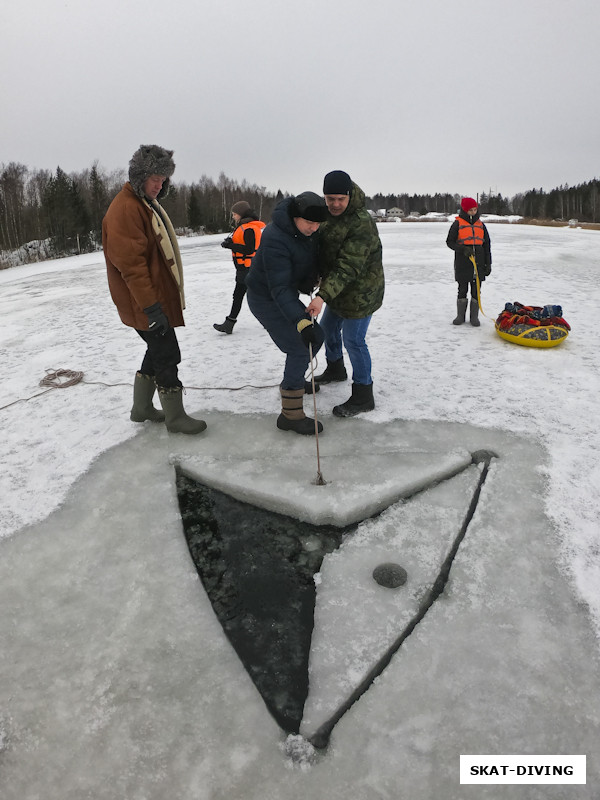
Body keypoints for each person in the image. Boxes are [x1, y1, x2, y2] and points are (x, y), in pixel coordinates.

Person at [102, 144, 206, 435]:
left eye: (163, 180)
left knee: (157, 348)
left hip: (150, 298)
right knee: (167, 353)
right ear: (139, 177)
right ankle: (175, 417)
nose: (159, 185)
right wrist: (151, 307)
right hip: (143, 301)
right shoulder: (125, 209)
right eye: (154, 179)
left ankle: (142, 409)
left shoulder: (142, 202)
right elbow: (131, 266)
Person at [246, 191, 328, 435]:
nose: (314, 228)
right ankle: (290, 415)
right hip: (266, 298)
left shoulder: (304, 231)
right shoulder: (274, 237)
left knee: (316, 338)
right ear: (295, 217)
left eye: (318, 223)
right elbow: (279, 287)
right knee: (300, 345)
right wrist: (302, 322)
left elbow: (301, 261)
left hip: (285, 293)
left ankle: (294, 380)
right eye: (309, 223)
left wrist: (310, 279)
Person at [306, 170, 385, 417]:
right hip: (338, 291)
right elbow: (322, 251)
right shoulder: (326, 216)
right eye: (330, 199)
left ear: (349, 195)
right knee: (329, 328)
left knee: (354, 340)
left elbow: (348, 265)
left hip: (362, 291)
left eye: (340, 198)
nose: (335, 204)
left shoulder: (361, 222)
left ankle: (364, 394)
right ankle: (336, 369)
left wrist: (322, 295)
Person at [214, 200, 266, 334]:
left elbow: (249, 249)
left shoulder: (250, 228)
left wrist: (230, 245)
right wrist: (231, 242)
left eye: (234, 214)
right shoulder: (245, 227)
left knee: (244, 296)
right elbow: (243, 243)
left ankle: (230, 323)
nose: (233, 217)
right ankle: (230, 323)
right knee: (247, 295)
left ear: (241, 214)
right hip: (244, 269)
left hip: (248, 269)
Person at [446, 197, 492, 327]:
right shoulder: (457, 223)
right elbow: (449, 242)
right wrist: (463, 249)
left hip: (479, 264)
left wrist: (488, 264)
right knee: (462, 289)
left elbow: (487, 246)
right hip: (463, 263)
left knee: (476, 291)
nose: (473, 212)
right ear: (465, 210)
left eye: (475, 209)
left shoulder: (481, 225)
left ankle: (474, 317)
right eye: (471, 210)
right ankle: (460, 316)